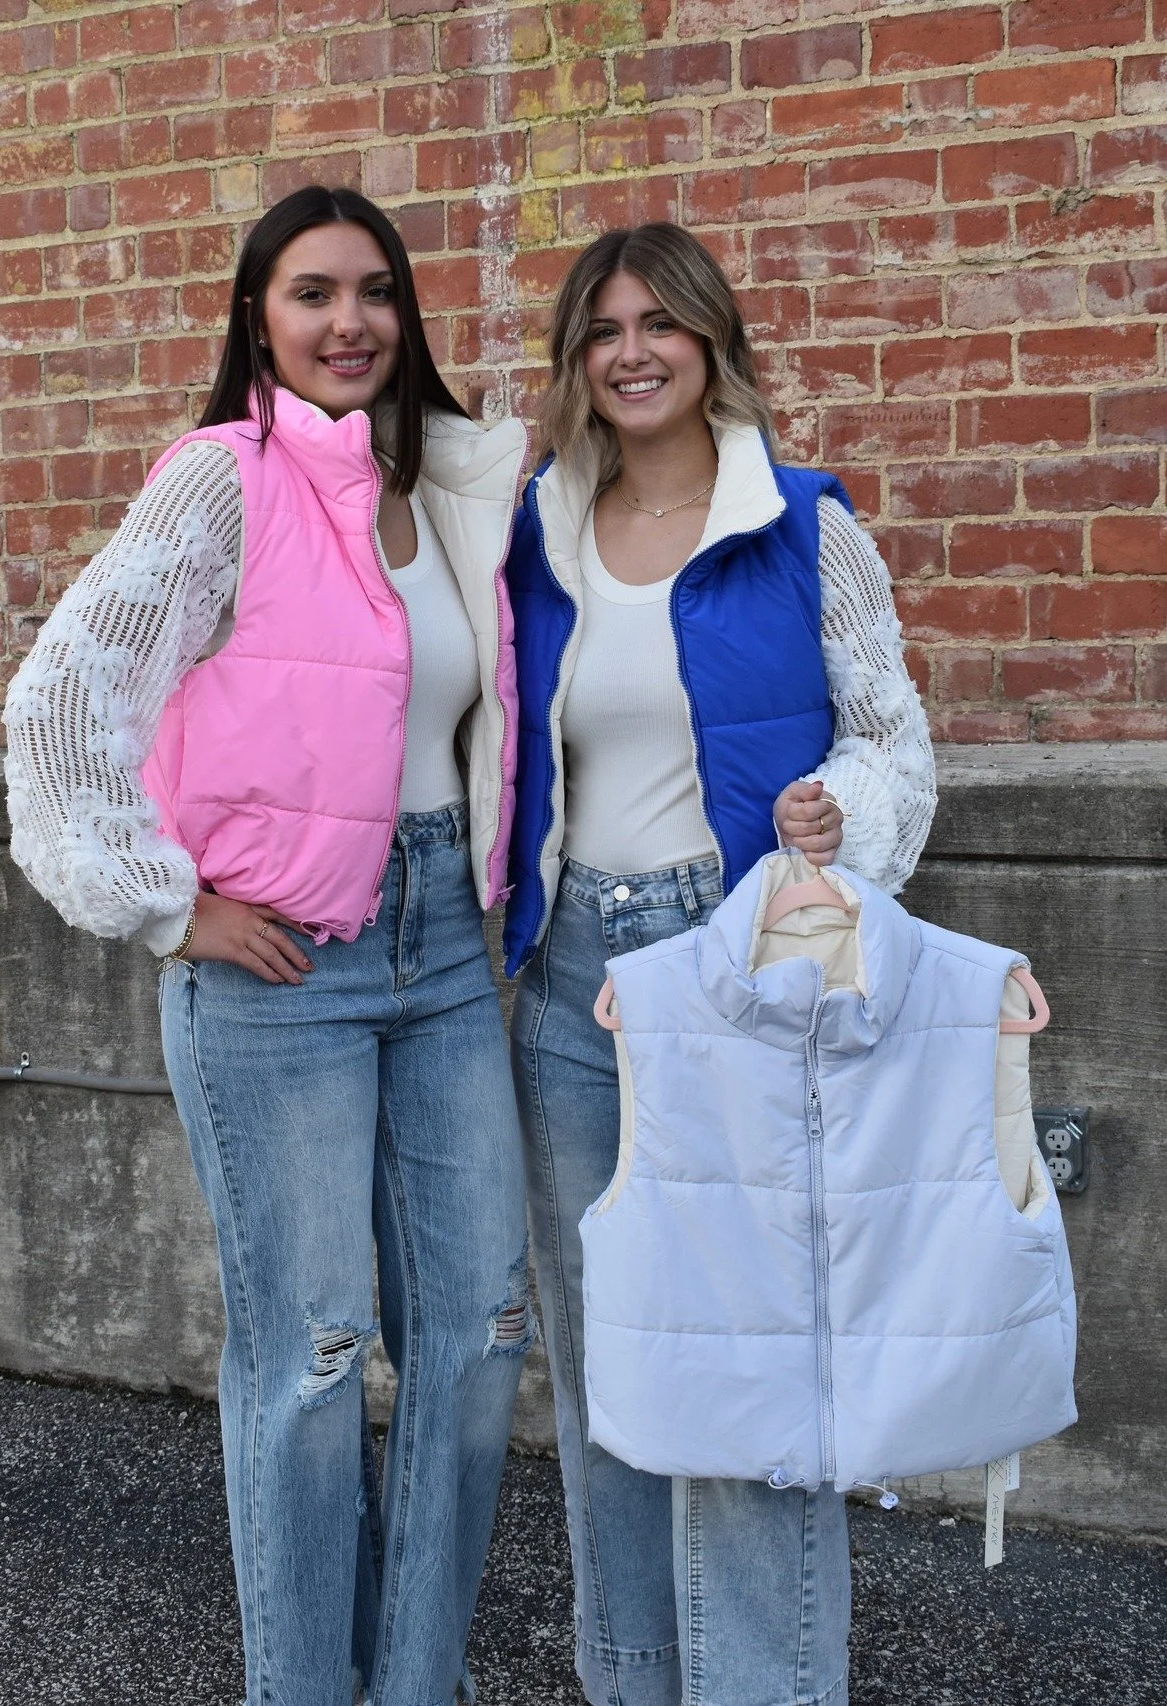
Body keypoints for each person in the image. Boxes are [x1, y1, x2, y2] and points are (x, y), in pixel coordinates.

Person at [3, 185, 532, 1706]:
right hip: (278, 967)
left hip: (445, 951)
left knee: (479, 1328)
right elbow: (60, 700)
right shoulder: (221, 478)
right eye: (313, 293)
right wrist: (170, 904)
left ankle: (415, 1682)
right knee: (311, 1354)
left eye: (376, 291)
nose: (349, 322)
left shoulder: (448, 485)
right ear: (259, 319)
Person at [503, 223, 937, 1706]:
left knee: (752, 1369)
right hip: (571, 988)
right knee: (611, 1365)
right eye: (603, 329)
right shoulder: (539, 535)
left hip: (735, 969)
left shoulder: (802, 525)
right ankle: (631, 1681)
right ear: (577, 360)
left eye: (659, 324)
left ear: (712, 341)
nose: (631, 352)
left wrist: (840, 817)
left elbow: (892, 741)